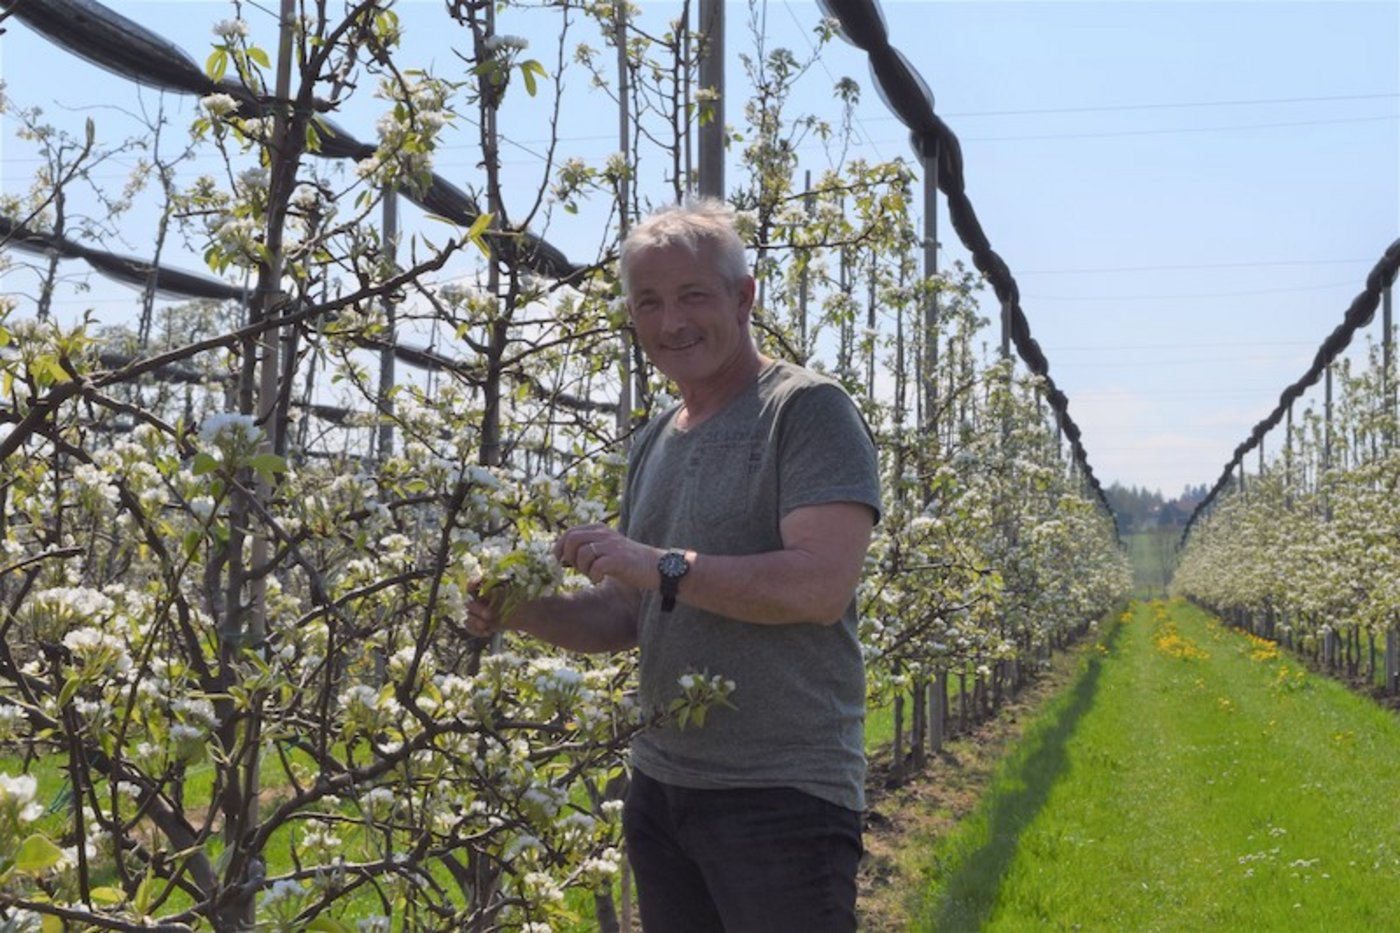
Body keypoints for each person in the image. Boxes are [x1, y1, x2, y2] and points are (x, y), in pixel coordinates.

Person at [465, 198, 881, 931]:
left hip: (781, 795)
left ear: (744, 297)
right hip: (661, 786)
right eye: (649, 302)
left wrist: (656, 563)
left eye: (693, 295)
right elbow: (632, 613)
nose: (671, 321)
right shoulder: (655, 439)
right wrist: (523, 611)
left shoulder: (805, 410)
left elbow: (818, 586)